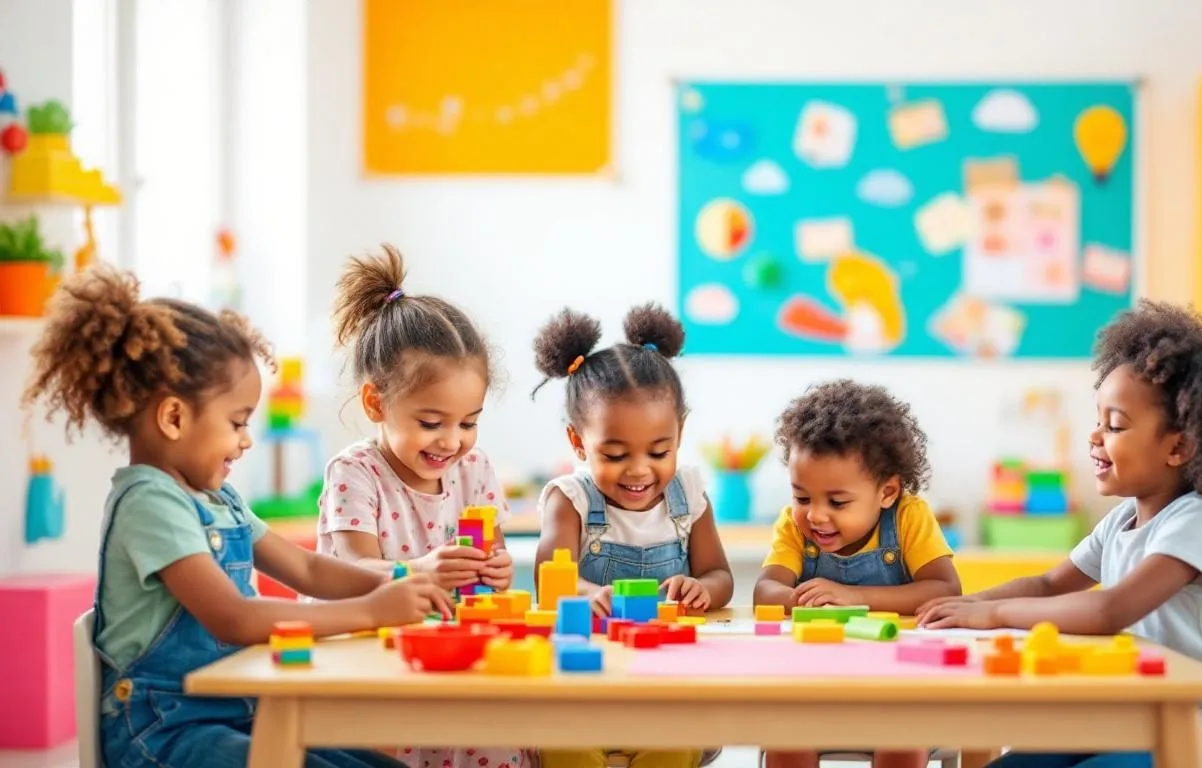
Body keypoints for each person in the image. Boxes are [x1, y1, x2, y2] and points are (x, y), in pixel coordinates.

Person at [24, 265, 445, 768]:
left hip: (237, 711)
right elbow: (235, 618)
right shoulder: (149, 502)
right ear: (174, 417)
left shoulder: (219, 499)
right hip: (164, 729)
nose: (247, 440)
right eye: (237, 423)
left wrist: (400, 581)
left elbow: (307, 569)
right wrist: (374, 611)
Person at [917, 301, 1202, 768]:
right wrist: (968, 605)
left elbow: (1108, 610)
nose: (1095, 437)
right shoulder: (1121, 521)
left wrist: (992, 614)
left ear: (1180, 446)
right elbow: (1050, 584)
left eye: (1115, 425)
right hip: (1127, 716)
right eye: (1099, 421)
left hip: (1201, 738)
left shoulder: (1199, 522)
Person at [319, 245, 528, 768]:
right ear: (376, 404)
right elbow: (349, 570)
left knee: (499, 732)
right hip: (375, 657)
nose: (452, 441)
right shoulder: (356, 473)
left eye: (468, 421)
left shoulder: (474, 468)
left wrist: (498, 570)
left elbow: (493, 566)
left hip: (453, 656)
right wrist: (416, 572)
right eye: (431, 423)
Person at [532, 304, 732, 768]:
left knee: (676, 746)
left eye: (659, 451)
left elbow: (719, 575)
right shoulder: (571, 499)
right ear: (579, 443)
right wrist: (585, 594)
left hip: (666, 687)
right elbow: (547, 582)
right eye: (616, 454)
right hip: (583, 689)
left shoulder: (690, 494)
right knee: (566, 749)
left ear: (679, 434)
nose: (640, 470)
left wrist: (701, 588)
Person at [756, 379, 960, 768]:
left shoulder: (907, 517)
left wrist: (853, 597)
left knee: (903, 742)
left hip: (901, 689)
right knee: (784, 741)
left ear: (886, 492)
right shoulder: (792, 526)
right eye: (802, 497)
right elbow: (765, 591)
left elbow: (944, 589)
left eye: (837, 501)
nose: (815, 514)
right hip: (812, 689)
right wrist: (802, 599)